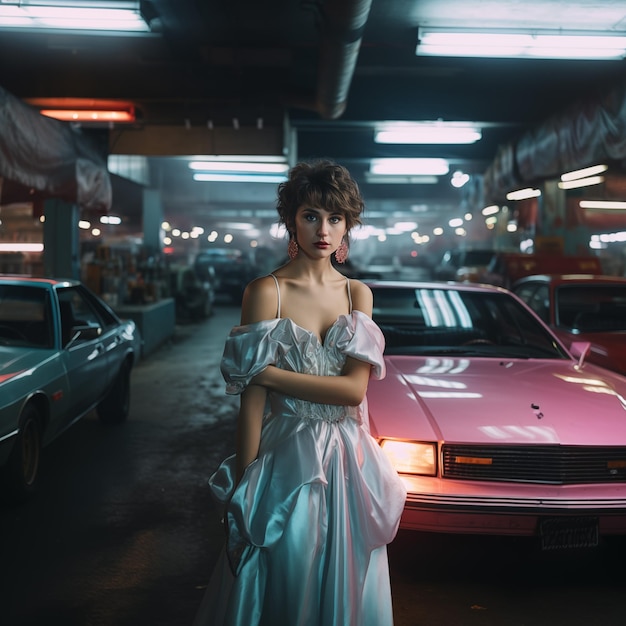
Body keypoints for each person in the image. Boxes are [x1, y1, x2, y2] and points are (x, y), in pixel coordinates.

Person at [193, 160, 407, 626]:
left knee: (346, 585)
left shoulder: (357, 295)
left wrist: (268, 376)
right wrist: (244, 490)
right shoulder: (265, 291)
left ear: (349, 225)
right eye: (311, 215)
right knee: (283, 579)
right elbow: (249, 408)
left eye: (335, 218)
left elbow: (353, 392)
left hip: (350, 465)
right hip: (285, 460)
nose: (323, 230)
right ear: (292, 220)